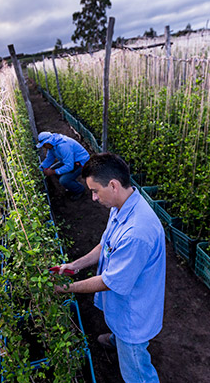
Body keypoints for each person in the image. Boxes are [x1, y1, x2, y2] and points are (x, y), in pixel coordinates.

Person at [55, 152, 166, 383]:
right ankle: (117, 338)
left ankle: (125, 344)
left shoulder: (137, 232)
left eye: (95, 191)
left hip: (133, 315)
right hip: (125, 302)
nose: (94, 198)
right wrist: (74, 266)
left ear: (113, 185)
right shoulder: (121, 206)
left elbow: (109, 282)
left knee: (136, 369)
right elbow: (105, 245)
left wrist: (65, 288)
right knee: (119, 327)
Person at [36, 131, 90, 201]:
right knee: (55, 169)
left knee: (64, 180)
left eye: (44, 145)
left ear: (48, 142)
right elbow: (49, 159)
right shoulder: (52, 146)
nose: (44, 147)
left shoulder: (63, 146)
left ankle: (80, 190)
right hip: (71, 161)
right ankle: (72, 186)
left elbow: (69, 166)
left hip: (81, 163)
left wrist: (53, 172)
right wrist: (41, 168)